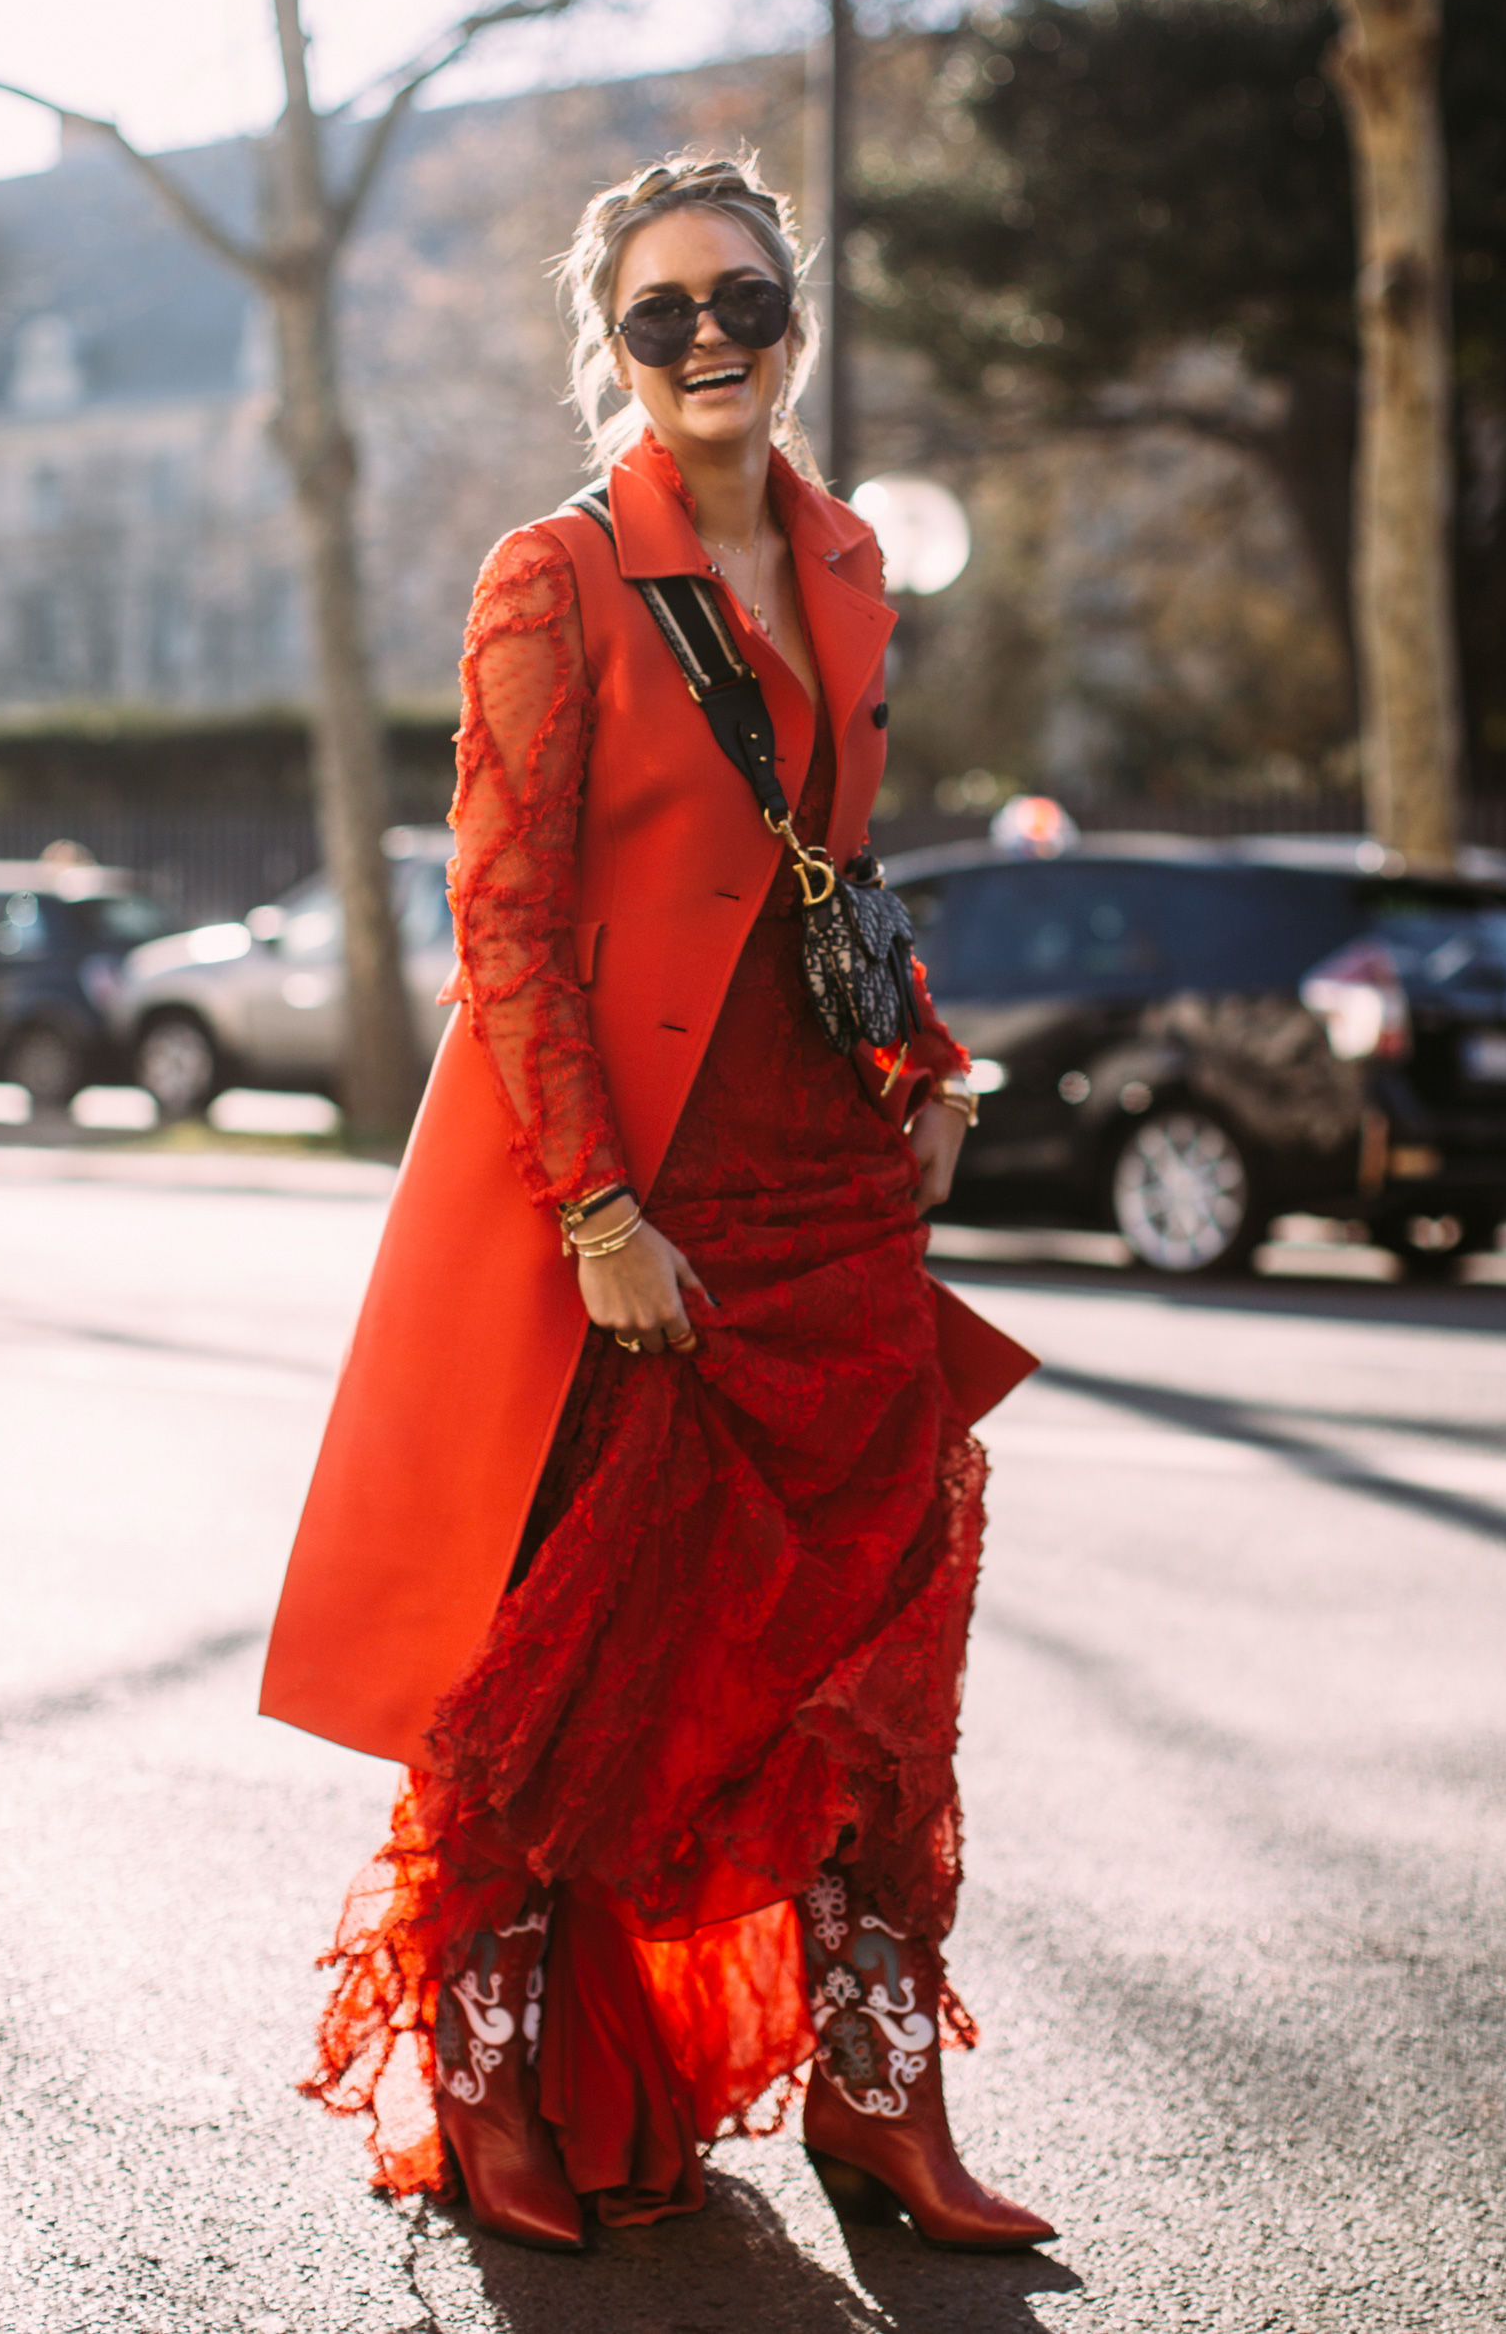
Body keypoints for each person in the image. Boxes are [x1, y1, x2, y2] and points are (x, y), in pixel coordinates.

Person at [260, 151, 1054, 2254]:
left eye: (747, 302)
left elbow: (835, 873)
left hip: (834, 1193)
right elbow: (505, 924)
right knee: (575, 1658)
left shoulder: (855, 557)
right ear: (606, 348)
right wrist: (599, 1210)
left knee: (883, 1646)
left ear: (798, 318)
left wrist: (930, 1053)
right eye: (663, 313)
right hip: (651, 1201)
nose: (712, 342)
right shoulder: (555, 577)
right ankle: (489, 2082)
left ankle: (882, 2104)